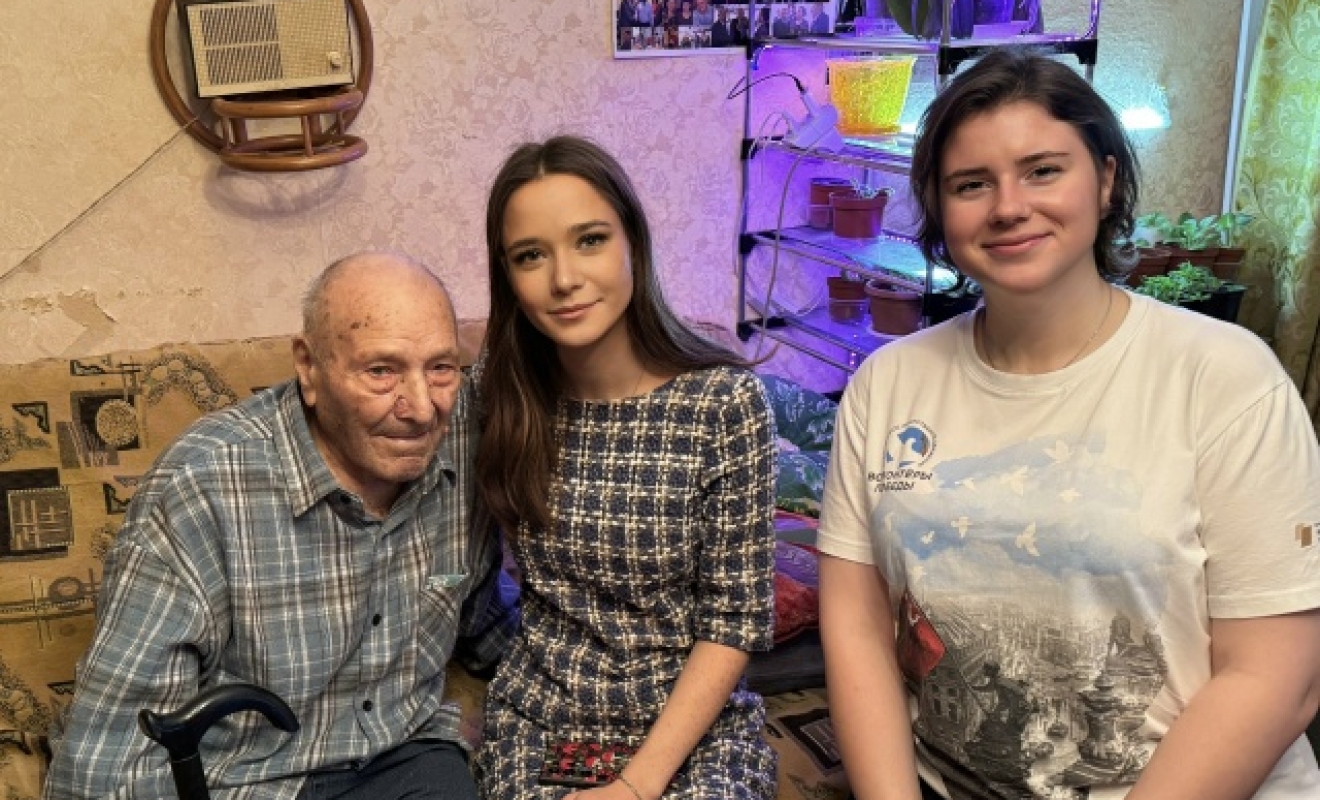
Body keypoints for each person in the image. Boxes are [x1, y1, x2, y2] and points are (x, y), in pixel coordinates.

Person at [816, 48, 1320, 800]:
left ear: (1106, 179)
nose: (1008, 206)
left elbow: (1276, 678)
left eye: (1043, 170)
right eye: (971, 184)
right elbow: (857, 628)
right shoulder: (888, 383)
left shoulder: (1226, 378)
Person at [44, 253, 519, 800]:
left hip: (404, 754)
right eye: (381, 371)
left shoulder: (465, 437)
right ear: (309, 367)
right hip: (246, 778)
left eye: (440, 368)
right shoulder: (203, 488)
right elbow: (111, 752)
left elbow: (485, 619)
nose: (420, 407)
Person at [472, 135, 779, 800]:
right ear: (509, 277)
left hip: (692, 730)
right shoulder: (501, 395)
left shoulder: (723, 404)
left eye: (589, 240)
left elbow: (734, 623)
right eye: (531, 255)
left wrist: (637, 786)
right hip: (543, 722)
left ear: (633, 243)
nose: (564, 279)